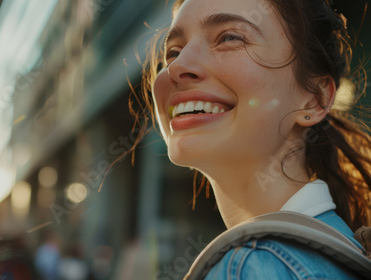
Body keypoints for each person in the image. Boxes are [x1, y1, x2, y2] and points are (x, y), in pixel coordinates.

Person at [132, 0, 371, 278]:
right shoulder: (342, 253)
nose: (178, 65)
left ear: (314, 100)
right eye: (173, 51)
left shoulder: (246, 268)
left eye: (230, 37)